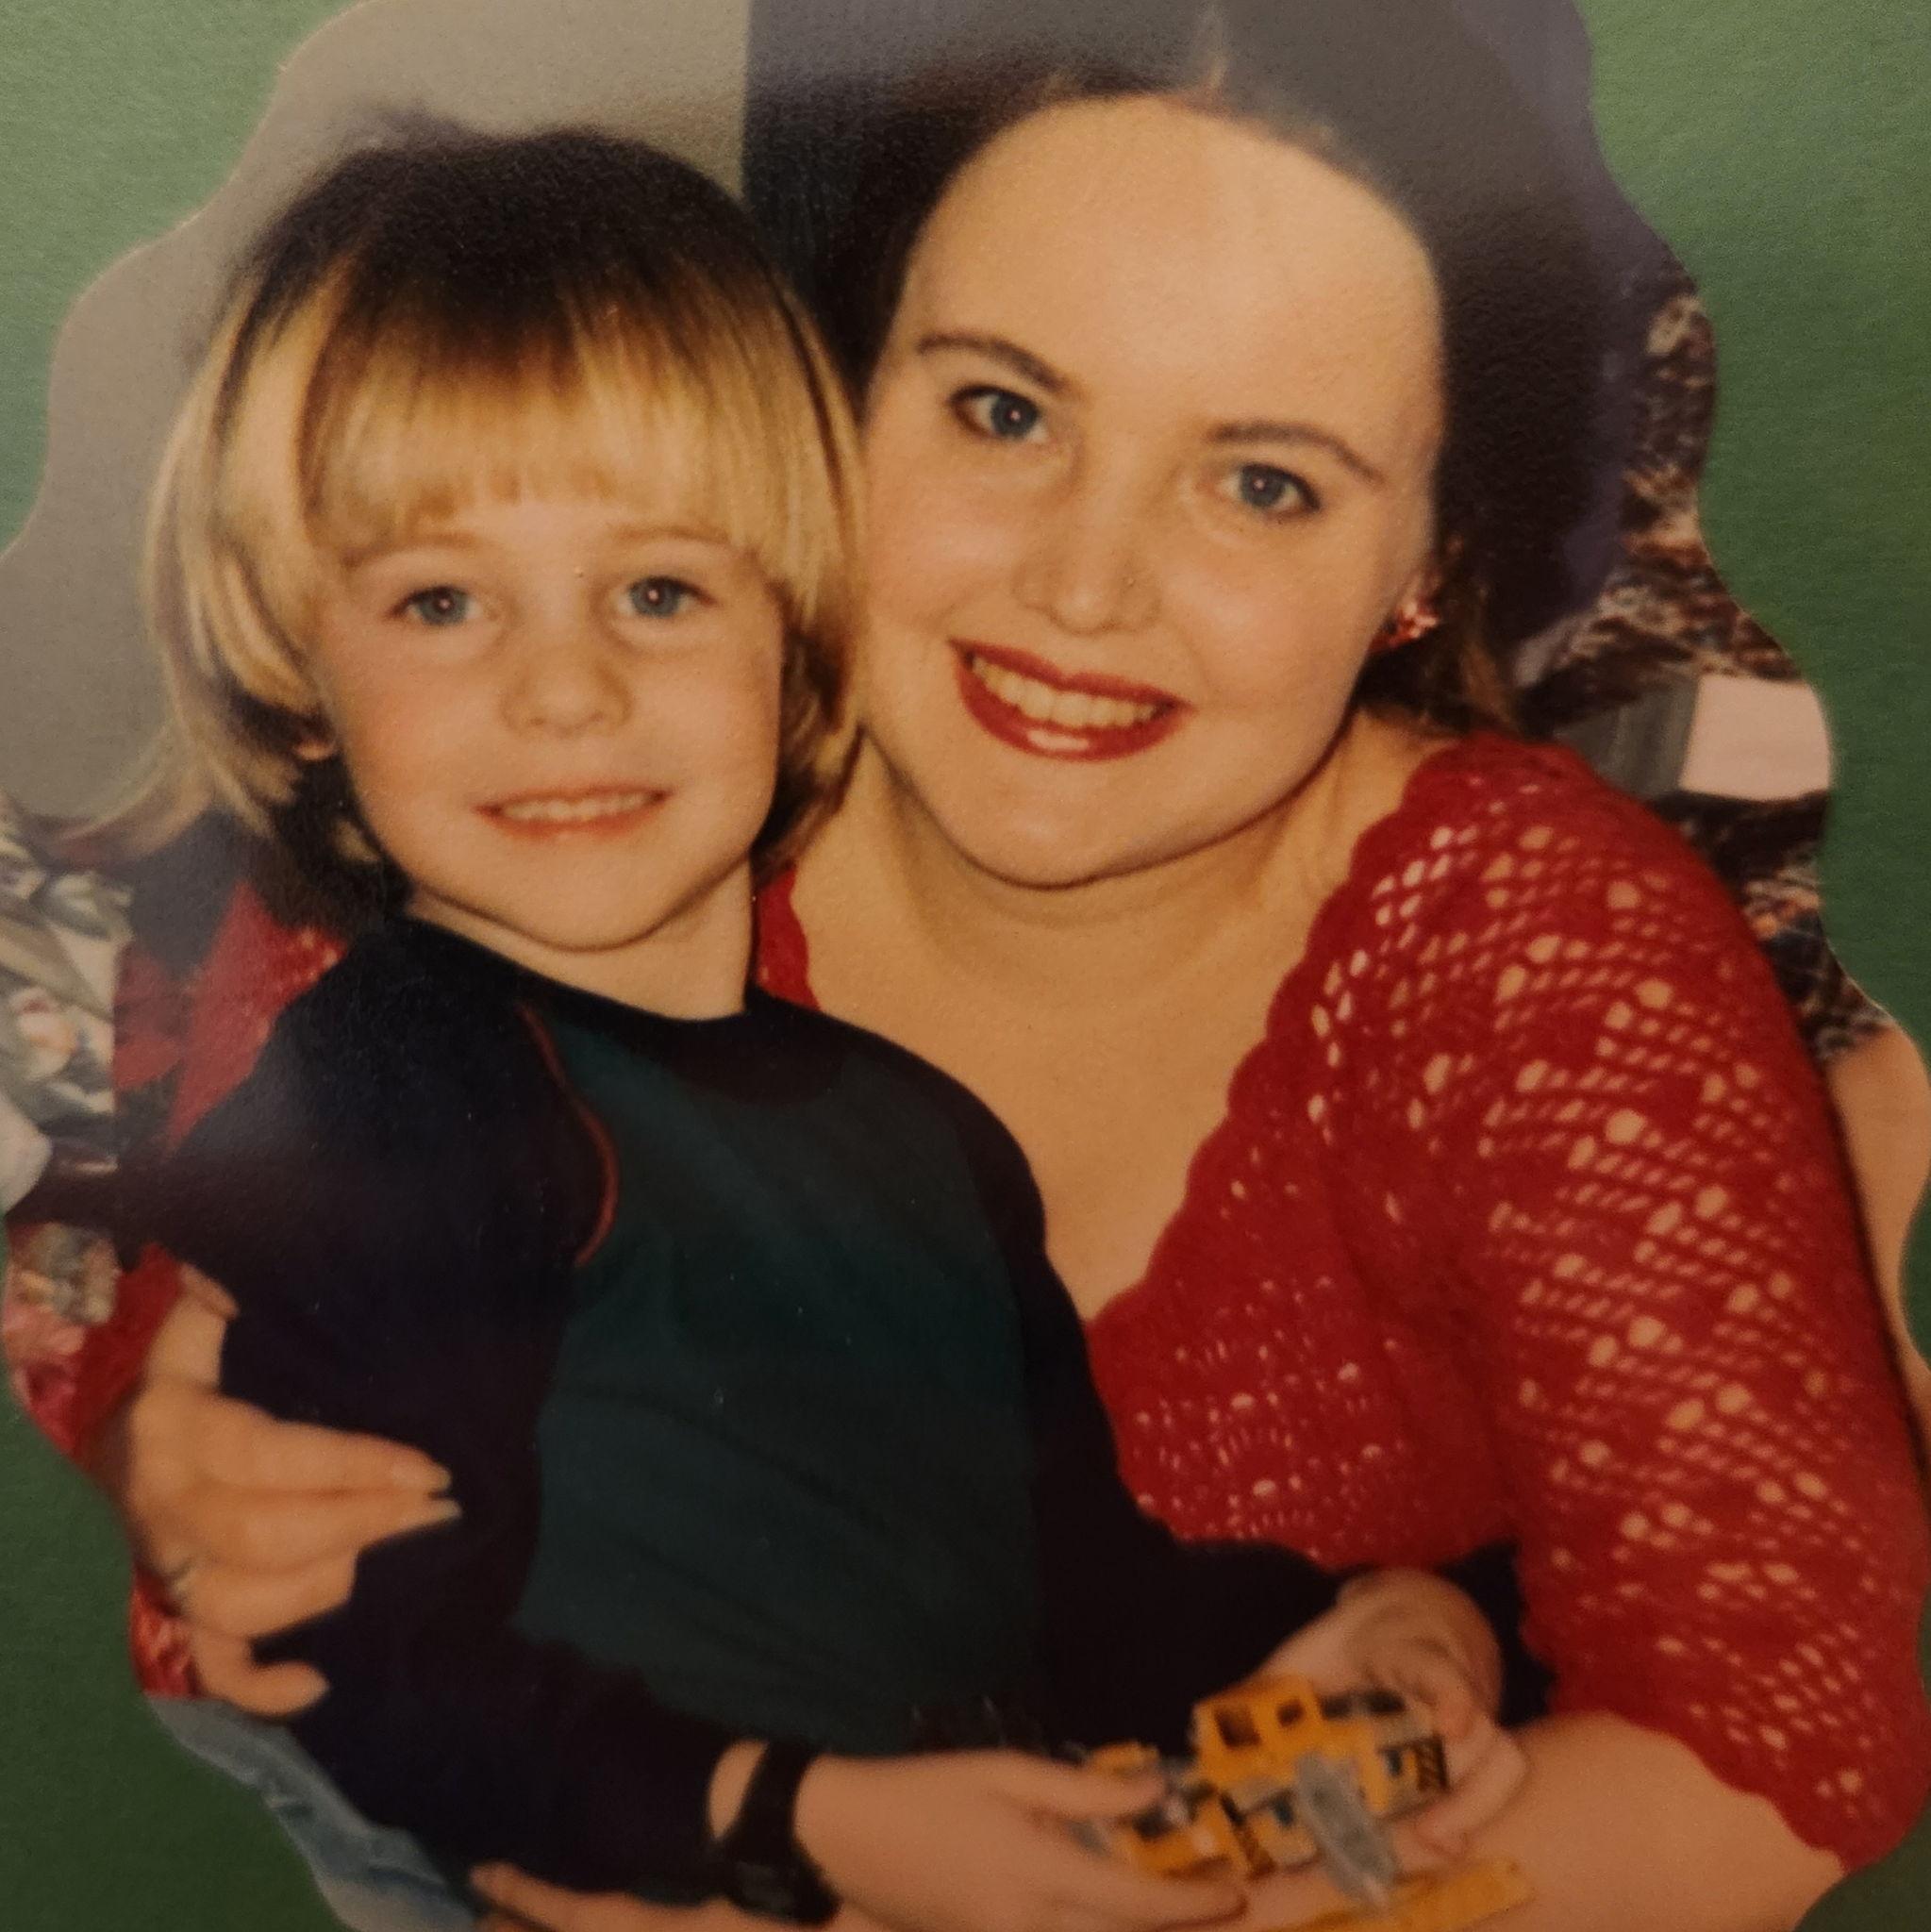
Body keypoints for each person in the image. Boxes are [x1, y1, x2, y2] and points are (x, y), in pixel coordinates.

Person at [40, 4, 1931, 1930]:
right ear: (825, 406)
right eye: (1002, 411)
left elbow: (1777, 1734)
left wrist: (1374, 1651)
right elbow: (247, 1495)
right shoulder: (569, 803)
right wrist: (167, 1448)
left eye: (1264, 479)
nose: (1084, 585)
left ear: (1425, 564)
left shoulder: (1537, 958)